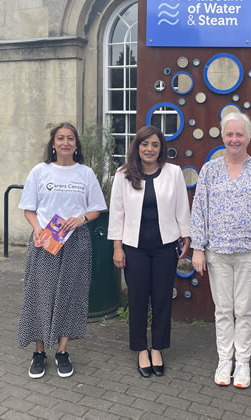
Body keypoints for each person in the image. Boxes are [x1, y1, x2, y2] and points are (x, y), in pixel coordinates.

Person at [190, 112, 251, 389]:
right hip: (217, 251)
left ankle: (242, 362)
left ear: (249, 138)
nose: (234, 139)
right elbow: (199, 211)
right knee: (223, 309)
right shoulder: (210, 170)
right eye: (230, 134)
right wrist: (198, 248)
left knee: (244, 309)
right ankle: (224, 359)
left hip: (250, 252)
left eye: (239, 134)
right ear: (222, 136)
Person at [17, 122, 107, 379]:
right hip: (45, 241)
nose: (65, 143)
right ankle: (39, 352)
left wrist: (82, 219)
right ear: (53, 144)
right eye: (60, 138)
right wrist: (36, 228)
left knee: (71, 294)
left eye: (70, 138)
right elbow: (29, 208)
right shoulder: (40, 171)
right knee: (39, 294)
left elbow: (97, 208)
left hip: (76, 241)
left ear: (76, 145)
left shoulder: (85, 174)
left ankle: (63, 351)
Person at [108, 125, 191, 378]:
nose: (149, 149)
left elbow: (181, 205)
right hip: (135, 248)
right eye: (145, 144)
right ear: (137, 147)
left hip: (165, 246)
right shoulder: (123, 175)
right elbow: (117, 213)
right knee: (138, 299)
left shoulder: (173, 173)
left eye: (155, 145)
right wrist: (117, 248)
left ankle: (157, 348)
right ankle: (140, 349)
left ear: (161, 148)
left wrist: (186, 235)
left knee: (163, 298)